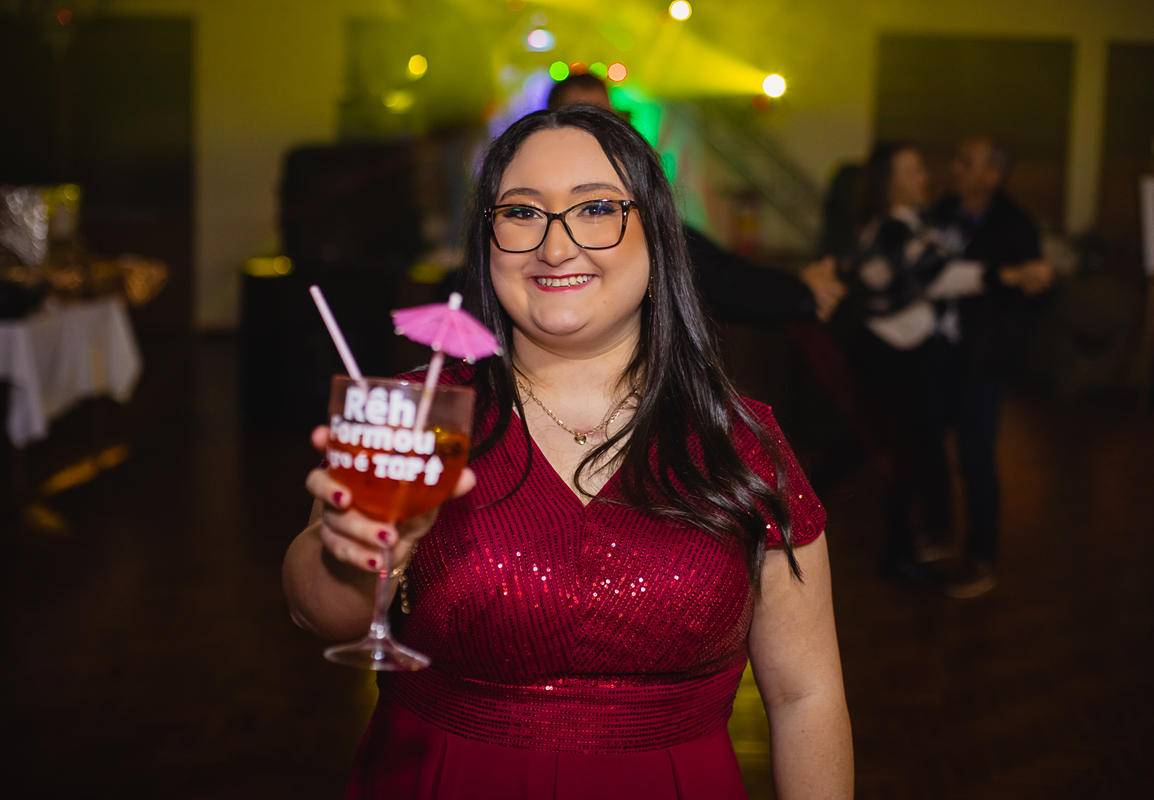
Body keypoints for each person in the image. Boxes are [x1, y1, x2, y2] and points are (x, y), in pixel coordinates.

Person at [283, 105, 853, 798]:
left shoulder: (740, 440)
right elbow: (319, 613)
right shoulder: (412, 415)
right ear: (488, 241)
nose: (555, 247)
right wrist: (351, 558)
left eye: (596, 209)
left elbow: (804, 695)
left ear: (658, 237)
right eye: (522, 213)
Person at [547, 72, 847, 324]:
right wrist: (802, 294)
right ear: (555, 120)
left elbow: (706, 265)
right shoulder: (550, 189)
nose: (597, 126)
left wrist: (799, 290)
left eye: (605, 113)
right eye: (582, 114)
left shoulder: (622, 187)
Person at [845, 141, 988, 586]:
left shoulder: (913, 223)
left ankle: (902, 550)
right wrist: (1006, 275)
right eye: (911, 171)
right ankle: (897, 555)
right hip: (889, 353)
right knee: (898, 452)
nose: (924, 178)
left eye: (921, 169)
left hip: (906, 352)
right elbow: (936, 278)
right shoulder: (890, 229)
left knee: (894, 450)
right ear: (888, 183)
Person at [930, 136, 1053, 598]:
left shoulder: (1016, 224)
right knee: (929, 446)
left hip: (982, 360)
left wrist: (1037, 283)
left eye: (966, 162)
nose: (955, 168)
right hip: (935, 350)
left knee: (976, 458)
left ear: (992, 175)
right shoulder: (942, 211)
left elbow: (1036, 295)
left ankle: (982, 557)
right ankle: (939, 533)